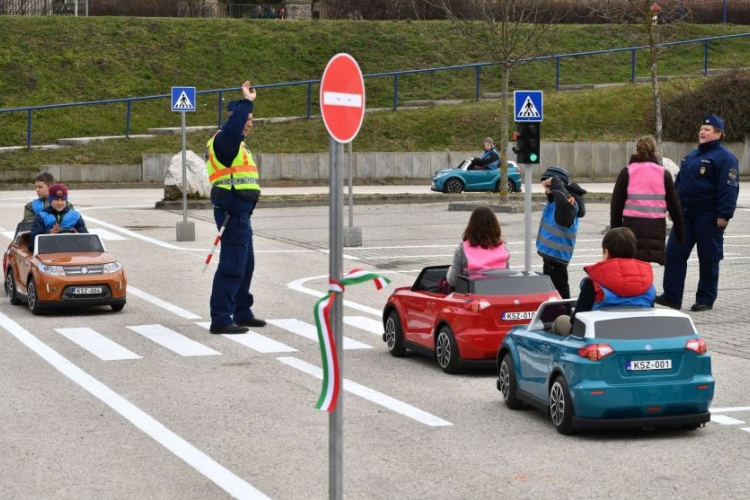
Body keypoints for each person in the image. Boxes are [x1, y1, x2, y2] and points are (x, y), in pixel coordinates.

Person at [655, 114, 740, 312]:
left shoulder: (725, 158)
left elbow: (729, 188)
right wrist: (673, 208)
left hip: (709, 216)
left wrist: (724, 214)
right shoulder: (691, 157)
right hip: (685, 215)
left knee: (708, 258)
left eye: (707, 130)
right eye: (701, 128)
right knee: (673, 254)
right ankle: (672, 296)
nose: (702, 132)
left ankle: (705, 298)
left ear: (719, 134)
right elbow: (679, 184)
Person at [205, 81, 266, 334]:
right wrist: (246, 101)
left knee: (246, 264)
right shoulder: (225, 141)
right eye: (247, 118)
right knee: (232, 266)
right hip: (232, 214)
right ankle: (220, 318)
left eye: (251, 118)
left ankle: (241, 310)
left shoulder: (237, 145)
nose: (250, 123)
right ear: (234, 119)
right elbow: (234, 126)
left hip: (241, 215)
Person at [553, 227, 655, 335]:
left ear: (606, 252)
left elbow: (576, 319)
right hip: (638, 333)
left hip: (602, 336)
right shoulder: (647, 284)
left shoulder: (593, 283)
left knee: (561, 321)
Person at [610, 135, 684, 265]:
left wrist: (615, 233)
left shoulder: (627, 172)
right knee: (646, 268)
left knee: (632, 267)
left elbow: (616, 207)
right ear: (655, 152)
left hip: (631, 230)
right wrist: (680, 234)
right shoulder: (663, 173)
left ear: (636, 150)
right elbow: (675, 207)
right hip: (655, 230)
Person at [536, 166, 587, 299]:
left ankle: (565, 315)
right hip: (550, 256)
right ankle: (556, 315)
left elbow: (564, 210)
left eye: (547, 186)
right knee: (550, 294)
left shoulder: (568, 203)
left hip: (557, 257)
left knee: (560, 294)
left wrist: (556, 182)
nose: (545, 190)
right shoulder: (555, 202)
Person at [445, 206, 509, 288]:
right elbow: (507, 276)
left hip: (473, 295)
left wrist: (450, 269)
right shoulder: (503, 247)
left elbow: (453, 281)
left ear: (471, 225)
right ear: (495, 225)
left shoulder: (462, 249)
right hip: (498, 293)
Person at [29, 184, 88, 252]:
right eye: (56, 199)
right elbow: (34, 241)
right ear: (50, 200)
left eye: (63, 200)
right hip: (49, 252)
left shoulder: (75, 216)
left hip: (73, 252)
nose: (60, 203)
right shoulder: (41, 216)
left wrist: (77, 235)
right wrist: (50, 233)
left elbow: (86, 239)